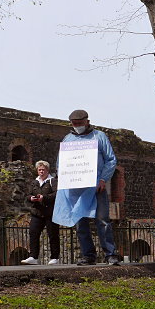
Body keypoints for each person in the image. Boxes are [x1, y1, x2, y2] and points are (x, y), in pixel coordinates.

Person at [53, 109, 121, 266]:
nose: (77, 126)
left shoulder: (99, 136)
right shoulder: (68, 139)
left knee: (102, 220)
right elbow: (60, 163)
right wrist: (63, 179)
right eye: (74, 124)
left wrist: (103, 179)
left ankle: (110, 254)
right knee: (79, 221)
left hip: (97, 187)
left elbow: (111, 159)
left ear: (87, 121)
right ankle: (88, 255)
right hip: (75, 189)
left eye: (79, 123)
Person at [21, 161, 61, 265]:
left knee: (53, 234)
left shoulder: (52, 181)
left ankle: (55, 257)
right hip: (37, 212)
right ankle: (33, 256)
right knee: (33, 233)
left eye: (43, 169)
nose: (41, 171)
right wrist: (31, 198)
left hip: (50, 212)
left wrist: (45, 198)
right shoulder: (35, 182)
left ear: (47, 170)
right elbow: (28, 195)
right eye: (39, 170)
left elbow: (57, 194)